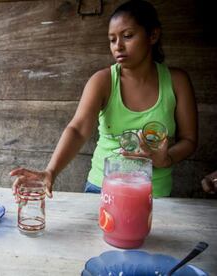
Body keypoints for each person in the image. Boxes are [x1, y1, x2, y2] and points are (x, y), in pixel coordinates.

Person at [10, 0, 197, 198]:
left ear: (153, 35)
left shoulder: (176, 81)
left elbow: (189, 140)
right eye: (112, 39)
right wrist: (51, 171)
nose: (118, 46)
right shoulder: (102, 81)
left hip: (154, 194)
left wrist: (165, 159)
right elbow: (78, 129)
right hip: (102, 190)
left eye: (127, 36)